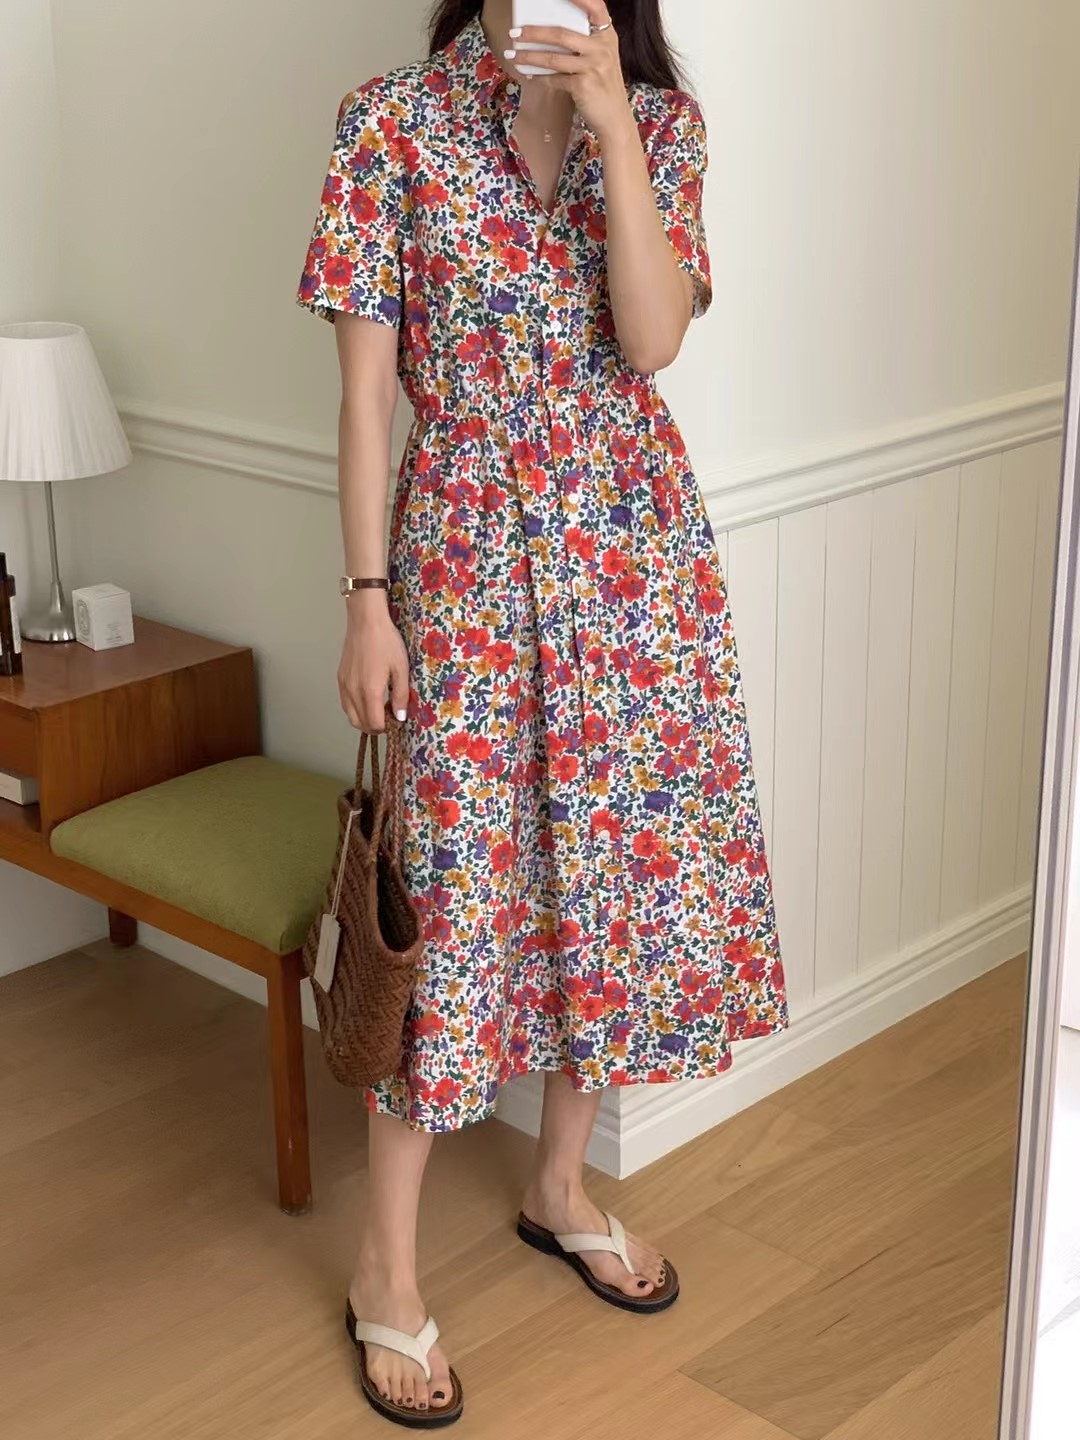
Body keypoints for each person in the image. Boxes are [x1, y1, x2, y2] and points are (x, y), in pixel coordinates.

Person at [295, 0, 788, 1426]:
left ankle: (559, 1187)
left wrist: (617, 127)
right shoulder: (389, 122)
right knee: (448, 905)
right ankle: (387, 1269)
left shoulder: (666, 127)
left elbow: (651, 342)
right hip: (461, 563)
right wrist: (367, 601)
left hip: (634, 567)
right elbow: (365, 400)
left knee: (610, 887)